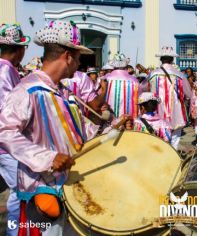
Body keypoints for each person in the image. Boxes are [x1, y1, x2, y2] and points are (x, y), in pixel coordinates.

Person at [0, 20, 130, 235]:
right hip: (43, 194)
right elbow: (4, 131)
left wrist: (114, 128)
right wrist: (48, 158)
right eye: (78, 57)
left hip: (69, 189)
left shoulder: (62, 92)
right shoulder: (29, 90)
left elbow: (81, 135)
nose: (79, 63)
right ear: (67, 56)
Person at [0, 23, 30, 236]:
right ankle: (14, 232)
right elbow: (7, 110)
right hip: (6, 144)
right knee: (19, 191)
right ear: (20, 50)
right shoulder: (5, 70)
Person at [142, 46, 192, 150]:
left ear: (161, 59)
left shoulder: (153, 74)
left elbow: (142, 89)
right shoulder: (180, 75)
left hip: (156, 108)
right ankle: (173, 156)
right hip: (176, 110)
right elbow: (189, 94)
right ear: (172, 60)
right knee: (175, 138)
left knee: (157, 135)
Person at [105, 53, 141, 119]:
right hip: (129, 120)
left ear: (113, 66)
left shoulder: (106, 79)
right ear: (126, 66)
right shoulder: (134, 80)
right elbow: (139, 98)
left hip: (109, 118)